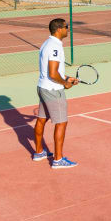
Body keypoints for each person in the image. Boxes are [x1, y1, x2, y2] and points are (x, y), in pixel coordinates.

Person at [34, 17, 79, 168]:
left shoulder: (46, 43)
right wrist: (65, 84)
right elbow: (53, 74)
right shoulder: (55, 46)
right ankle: (58, 160)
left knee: (41, 119)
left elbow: (53, 71)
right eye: (66, 27)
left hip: (43, 87)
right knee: (61, 123)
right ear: (59, 29)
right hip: (53, 90)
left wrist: (66, 78)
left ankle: (39, 152)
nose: (68, 29)